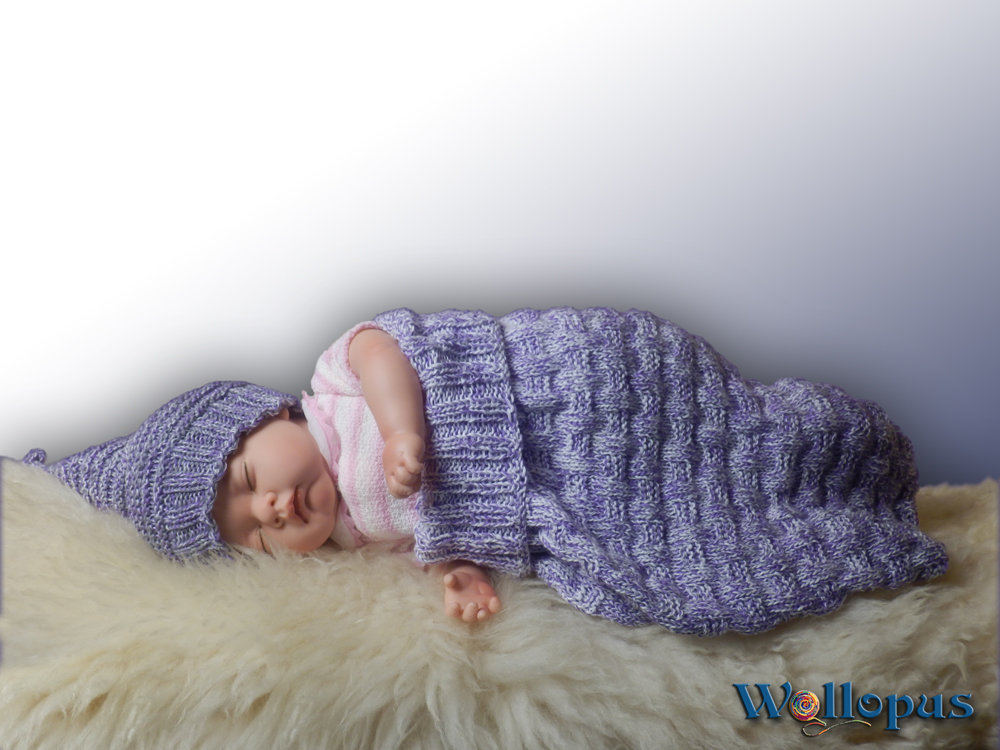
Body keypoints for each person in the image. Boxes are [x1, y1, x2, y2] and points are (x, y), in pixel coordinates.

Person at [23, 307, 949, 635]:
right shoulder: (352, 535)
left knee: (708, 435)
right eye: (255, 537)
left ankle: (802, 438)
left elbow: (386, 347)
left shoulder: (334, 385)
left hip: (567, 391)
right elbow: (423, 539)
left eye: (243, 482)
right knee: (681, 553)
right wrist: (457, 568)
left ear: (265, 417)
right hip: (554, 492)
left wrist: (399, 428)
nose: (269, 509)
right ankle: (819, 497)